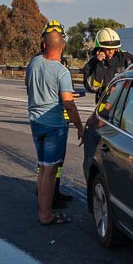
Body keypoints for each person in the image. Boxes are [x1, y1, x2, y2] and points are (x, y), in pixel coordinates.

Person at [26, 21, 85, 225]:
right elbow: (68, 104)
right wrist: (80, 127)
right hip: (54, 126)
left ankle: (43, 209)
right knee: (50, 171)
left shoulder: (33, 64)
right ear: (63, 46)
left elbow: (31, 89)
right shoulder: (62, 72)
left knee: (43, 168)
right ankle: (46, 215)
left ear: (43, 44)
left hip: (35, 123)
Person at [82, 28, 133, 94]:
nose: (111, 52)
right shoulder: (92, 64)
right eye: (108, 49)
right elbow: (92, 88)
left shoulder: (126, 58)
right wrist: (99, 65)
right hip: (104, 102)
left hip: (125, 100)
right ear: (99, 49)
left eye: (113, 49)